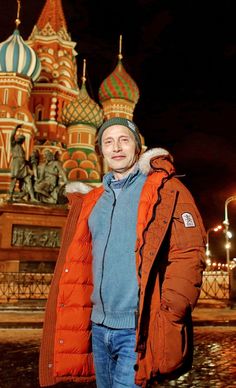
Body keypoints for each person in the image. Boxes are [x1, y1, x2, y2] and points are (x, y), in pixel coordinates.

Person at [39, 117, 206, 387]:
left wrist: (172, 309)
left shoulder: (163, 189)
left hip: (136, 329)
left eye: (123, 140)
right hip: (98, 328)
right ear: (101, 151)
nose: (116, 147)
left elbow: (189, 251)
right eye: (108, 141)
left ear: (138, 147)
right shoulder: (92, 201)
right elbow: (79, 263)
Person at [9, 124, 37, 202]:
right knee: (14, 180)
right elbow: (12, 135)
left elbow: (24, 159)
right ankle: (10, 196)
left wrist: (29, 163)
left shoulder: (22, 148)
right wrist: (16, 128)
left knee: (28, 180)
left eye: (21, 138)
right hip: (16, 164)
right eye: (19, 138)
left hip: (23, 165)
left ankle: (33, 198)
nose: (19, 139)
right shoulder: (13, 145)